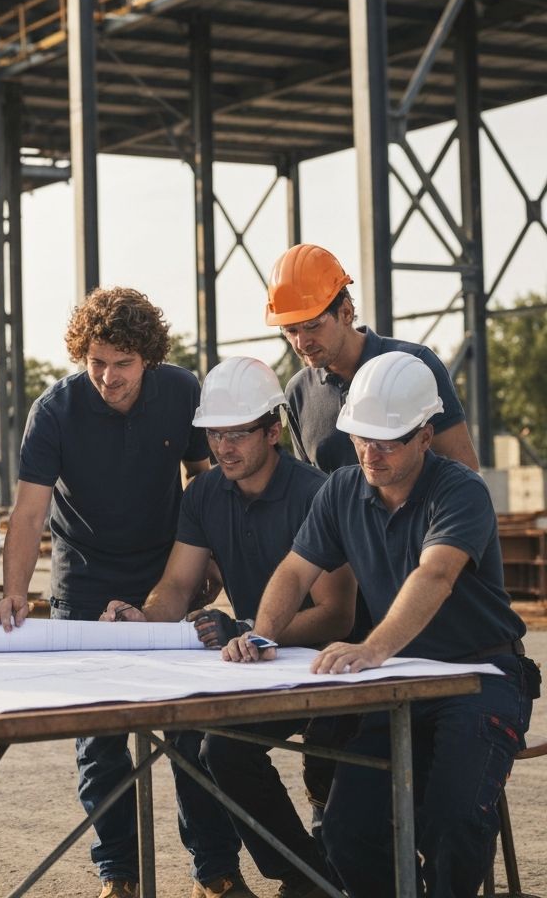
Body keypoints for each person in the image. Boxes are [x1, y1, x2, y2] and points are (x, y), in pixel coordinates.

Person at [224, 351, 539, 898]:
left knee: (453, 823)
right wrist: (262, 631)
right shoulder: (342, 488)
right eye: (361, 438)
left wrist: (373, 649)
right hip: (401, 686)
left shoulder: (460, 490)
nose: (370, 452)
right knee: (347, 830)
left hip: (482, 676)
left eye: (387, 441)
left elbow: (436, 575)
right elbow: (296, 570)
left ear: (425, 434)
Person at [0, 287, 245, 898]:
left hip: (167, 577)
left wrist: (202, 559)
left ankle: (215, 871)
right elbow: (27, 515)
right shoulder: (54, 410)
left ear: (149, 359)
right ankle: (119, 878)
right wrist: (15, 593)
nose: (107, 376)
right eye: (95, 361)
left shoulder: (182, 391)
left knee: (191, 729)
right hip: (86, 582)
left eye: (122, 363)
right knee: (101, 743)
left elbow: (201, 475)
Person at [102, 358, 355, 898]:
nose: (223, 447)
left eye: (238, 433)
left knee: (306, 769)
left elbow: (338, 614)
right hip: (263, 663)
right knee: (206, 742)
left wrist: (256, 632)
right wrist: (142, 619)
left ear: (273, 430)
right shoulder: (204, 495)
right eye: (214, 433)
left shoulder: (316, 495)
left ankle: (315, 874)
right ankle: (307, 876)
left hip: (335, 667)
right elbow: (175, 586)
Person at [264, 243, 478, 473]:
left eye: (313, 326)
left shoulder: (415, 365)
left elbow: (464, 473)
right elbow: (311, 492)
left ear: (346, 312)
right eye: (291, 331)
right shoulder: (299, 392)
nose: (301, 343)